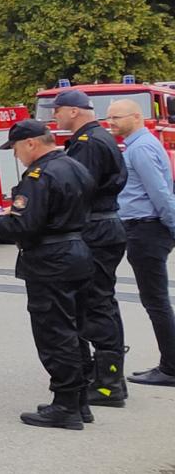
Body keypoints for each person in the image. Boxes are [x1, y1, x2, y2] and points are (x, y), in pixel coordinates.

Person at [0, 119, 95, 429]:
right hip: (76, 251)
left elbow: (21, 228)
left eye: (17, 149)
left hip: (51, 261)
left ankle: (65, 406)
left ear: (32, 143)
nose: (17, 155)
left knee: (54, 332)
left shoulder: (39, 175)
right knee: (75, 329)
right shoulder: (74, 166)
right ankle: (79, 400)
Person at [53, 89, 129, 407]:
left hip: (96, 227)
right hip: (102, 225)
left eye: (57, 111)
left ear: (73, 111)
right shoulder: (96, 139)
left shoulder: (89, 143)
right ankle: (104, 377)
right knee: (97, 302)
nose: (53, 117)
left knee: (97, 303)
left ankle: (110, 384)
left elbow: (78, 188)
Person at [105, 99, 175, 388]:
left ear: (136, 117)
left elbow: (159, 192)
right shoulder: (137, 145)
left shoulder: (141, 148)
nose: (110, 123)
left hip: (146, 229)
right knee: (155, 300)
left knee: (155, 300)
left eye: (116, 118)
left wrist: (172, 226)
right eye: (108, 118)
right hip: (143, 228)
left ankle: (170, 367)